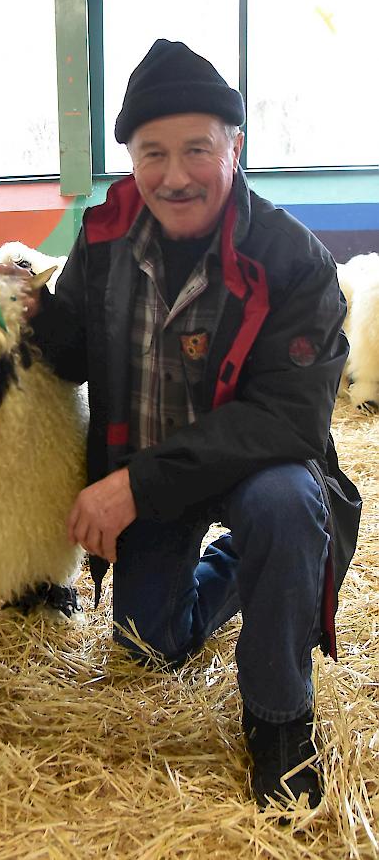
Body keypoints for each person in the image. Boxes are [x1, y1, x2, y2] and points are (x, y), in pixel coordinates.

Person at [27, 40, 361, 810]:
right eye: (153, 153)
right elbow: (74, 351)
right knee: (151, 648)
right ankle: (250, 567)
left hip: (249, 469)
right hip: (155, 475)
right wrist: (29, 314)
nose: (174, 176)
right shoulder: (105, 236)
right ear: (132, 156)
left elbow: (286, 419)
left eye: (196, 149)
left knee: (282, 506)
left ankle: (280, 719)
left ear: (234, 146)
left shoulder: (295, 260)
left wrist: (131, 487)